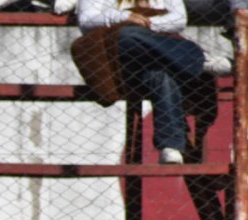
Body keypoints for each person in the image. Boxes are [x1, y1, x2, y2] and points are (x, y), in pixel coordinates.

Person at [77, 0, 229, 164]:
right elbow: (87, 20)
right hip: (120, 58)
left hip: (158, 56)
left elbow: (179, 19)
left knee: (160, 74)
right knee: (127, 35)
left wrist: (147, 24)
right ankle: (201, 61)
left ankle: (171, 145)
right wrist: (124, 17)